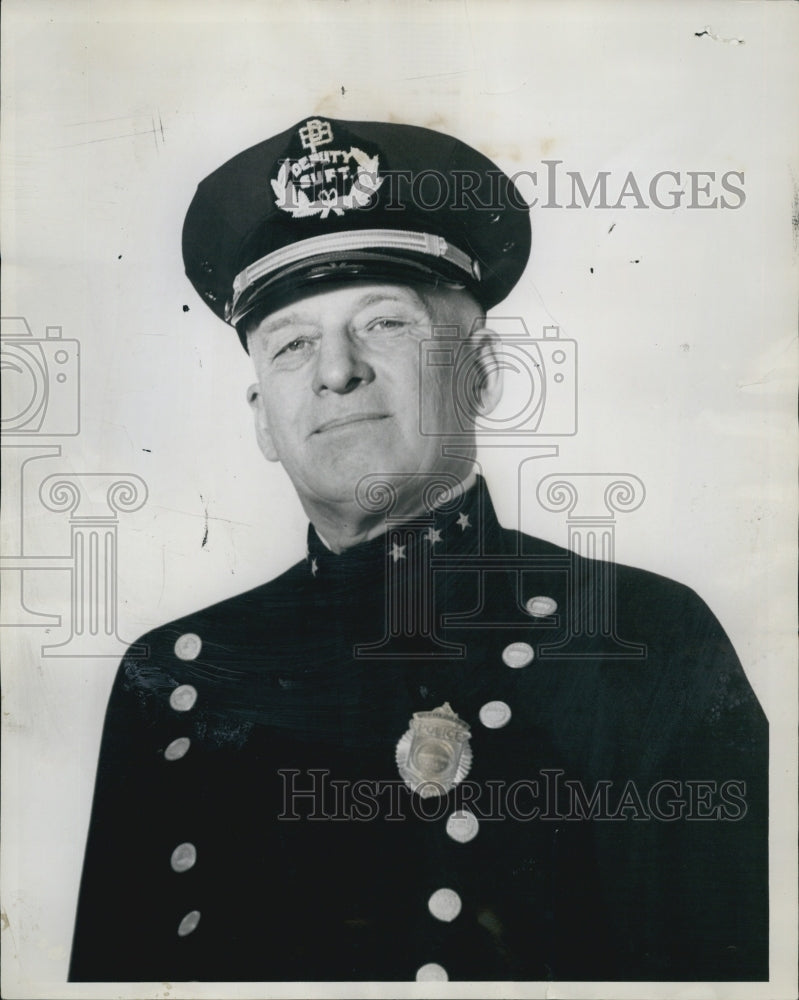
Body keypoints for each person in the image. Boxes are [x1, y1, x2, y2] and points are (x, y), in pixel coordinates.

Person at [69, 116, 767, 984]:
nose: (335, 372)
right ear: (261, 418)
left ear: (480, 373)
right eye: (292, 344)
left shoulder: (641, 640)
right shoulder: (172, 679)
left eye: (385, 324)